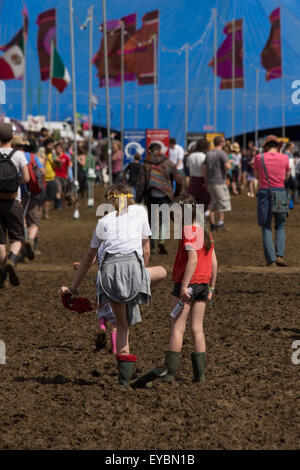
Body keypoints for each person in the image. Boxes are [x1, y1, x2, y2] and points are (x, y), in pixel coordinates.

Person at [58, 183, 167, 387]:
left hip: (107, 273)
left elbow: (88, 258)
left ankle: (124, 380)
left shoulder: (103, 222)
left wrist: (72, 288)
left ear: (110, 201)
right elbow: (146, 249)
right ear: (130, 196)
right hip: (133, 269)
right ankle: (138, 293)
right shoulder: (140, 211)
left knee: (122, 326)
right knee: (162, 272)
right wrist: (140, 274)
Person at [160, 194, 217, 383]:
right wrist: (211, 287)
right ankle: (199, 375)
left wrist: (184, 286)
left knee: (177, 328)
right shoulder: (205, 230)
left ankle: (169, 373)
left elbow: (192, 259)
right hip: (203, 284)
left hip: (188, 284)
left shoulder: (188, 230)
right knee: (197, 329)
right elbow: (214, 262)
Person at [136, 143, 183, 254]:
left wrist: (138, 198)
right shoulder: (168, 162)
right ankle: (161, 240)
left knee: (151, 220)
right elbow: (179, 180)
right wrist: (176, 194)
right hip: (165, 194)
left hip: (151, 195)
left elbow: (141, 183)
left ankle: (151, 247)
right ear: (161, 151)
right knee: (164, 219)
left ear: (149, 151)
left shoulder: (145, 164)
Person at [0, 124, 29, 287]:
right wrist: (15, 182)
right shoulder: (18, 155)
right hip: (13, 200)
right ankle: (12, 259)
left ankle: (2, 275)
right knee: (18, 237)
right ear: (11, 138)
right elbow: (26, 178)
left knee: (0, 241)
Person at [254, 135, 290, 267]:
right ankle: (280, 255)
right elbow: (287, 176)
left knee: (266, 226)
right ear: (278, 146)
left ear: (266, 146)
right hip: (280, 192)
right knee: (280, 225)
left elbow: (257, 176)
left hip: (264, 192)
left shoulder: (259, 157)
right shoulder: (285, 157)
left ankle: (271, 259)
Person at [21, 138, 45, 260]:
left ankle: (22, 250)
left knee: (22, 220)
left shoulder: (16, 154)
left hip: (16, 192)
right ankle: (29, 241)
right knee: (34, 222)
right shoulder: (32, 157)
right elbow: (42, 170)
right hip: (30, 192)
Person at [205, 136, 232, 231]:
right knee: (223, 203)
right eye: (224, 141)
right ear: (221, 142)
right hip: (219, 181)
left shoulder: (208, 154)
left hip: (210, 182)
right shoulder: (222, 153)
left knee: (214, 202)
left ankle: (207, 215)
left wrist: (206, 181)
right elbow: (227, 167)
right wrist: (229, 162)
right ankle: (220, 224)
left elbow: (205, 169)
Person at [186, 138, 211, 209]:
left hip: (193, 181)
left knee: (192, 203)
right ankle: (200, 219)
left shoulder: (190, 156)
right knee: (203, 204)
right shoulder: (205, 156)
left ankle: (193, 219)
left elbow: (190, 170)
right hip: (203, 181)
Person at [42, 138, 57, 219]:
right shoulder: (41, 153)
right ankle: (40, 213)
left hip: (51, 178)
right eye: (50, 144)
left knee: (48, 198)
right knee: (41, 198)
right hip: (43, 179)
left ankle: (46, 213)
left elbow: (58, 164)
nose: (51, 146)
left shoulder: (53, 154)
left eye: (52, 145)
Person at [54, 142, 71, 210]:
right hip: (56, 176)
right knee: (58, 190)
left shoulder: (66, 157)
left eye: (58, 148)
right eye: (56, 148)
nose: (57, 150)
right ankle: (58, 206)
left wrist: (67, 175)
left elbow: (67, 166)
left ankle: (62, 203)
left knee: (64, 192)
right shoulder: (54, 157)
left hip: (64, 176)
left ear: (61, 149)